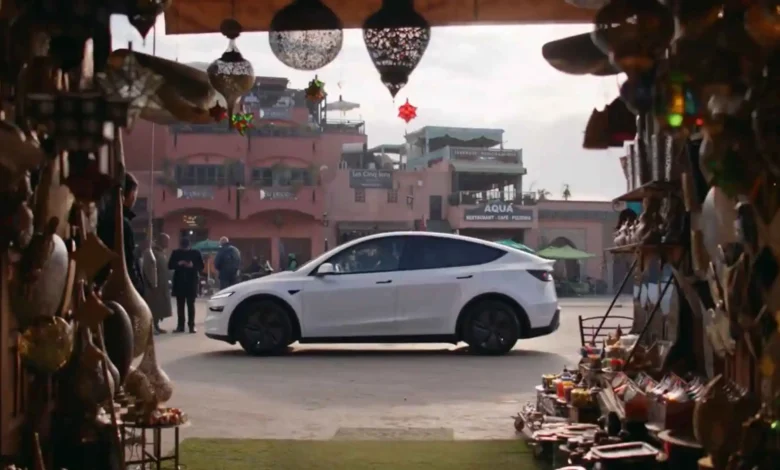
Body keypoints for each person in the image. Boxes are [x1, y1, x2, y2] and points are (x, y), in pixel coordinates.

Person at [97, 172, 144, 294]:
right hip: (121, 290)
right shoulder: (121, 224)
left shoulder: (103, 217)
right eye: (134, 193)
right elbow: (128, 261)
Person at [168, 238, 204, 333]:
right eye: (183, 247)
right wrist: (178, 263)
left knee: (190, 305)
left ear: (189, 246)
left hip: (191, 281)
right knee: (180, 305)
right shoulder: (176, 253)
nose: (184, 249)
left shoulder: (196, 253)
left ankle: (191, 325)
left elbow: (201, 266)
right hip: (179, 281)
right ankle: (180, 326)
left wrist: (192, 266)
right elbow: (170, 265)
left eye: (186, 247)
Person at [143, 233, 173, 335]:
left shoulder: (161, 253)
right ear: (161, 241)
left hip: (162, 286)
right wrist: (152, 283)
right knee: (153, 307)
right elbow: (148, 269)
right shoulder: (151, 253)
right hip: (154, 286)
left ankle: (156, 325)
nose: (168, 243)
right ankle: (151, 327)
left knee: (160, 308)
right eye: (167, 241)